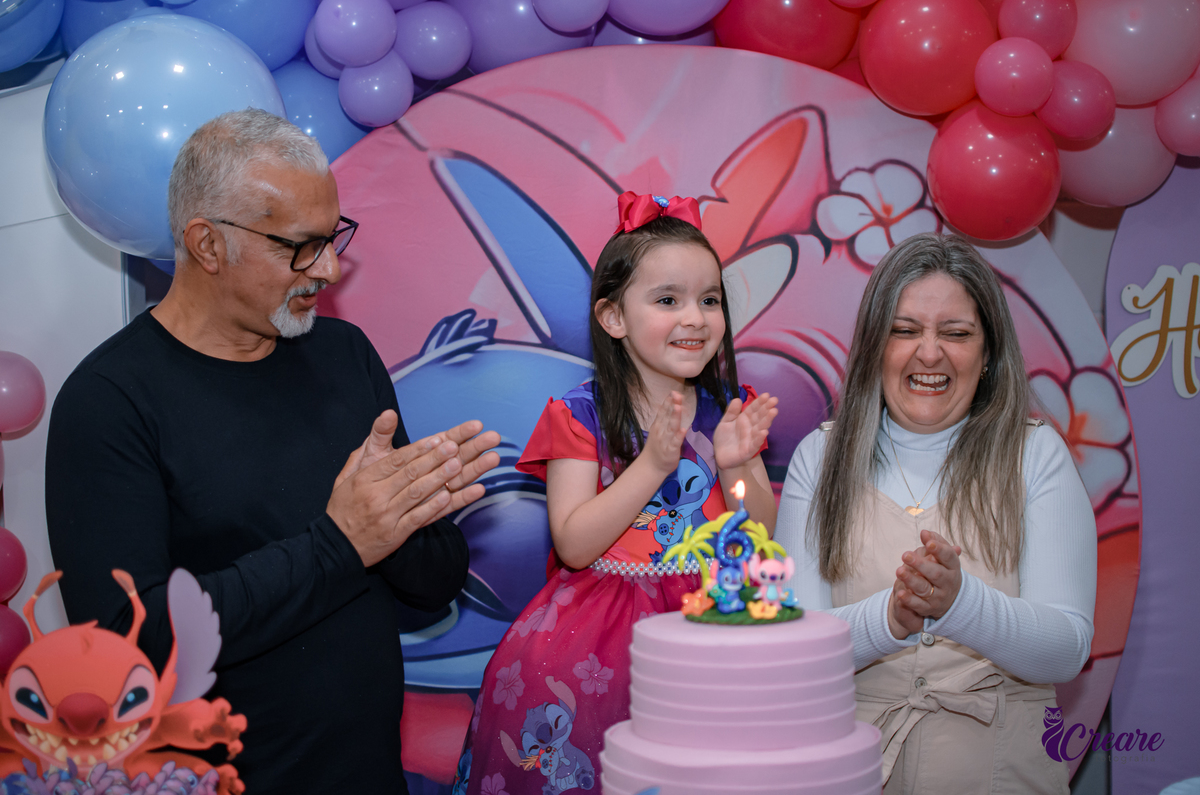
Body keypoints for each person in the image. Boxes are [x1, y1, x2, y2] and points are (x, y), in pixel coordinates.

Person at [45, 108, 501, 792]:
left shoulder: (345, 355)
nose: (331, 267)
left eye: (335, 236)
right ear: (207, 245)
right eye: (301, 245)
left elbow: (434, 584)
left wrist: (400, 522)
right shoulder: (109, 403)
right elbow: (129, 649)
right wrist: (343, 543)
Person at [451, 192, 778, 795]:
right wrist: (652, 464)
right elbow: (574, 543)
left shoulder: (730, 411)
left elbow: (758, 534)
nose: (695, 317)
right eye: (668, 300)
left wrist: (734, 466)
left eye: (710, 300)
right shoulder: (580, 415)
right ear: (613, 318)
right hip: (597, 639)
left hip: (708, 628)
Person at [775, 232, 1097, 794]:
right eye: (904, 331)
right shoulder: (819, 459)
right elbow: (794, 655)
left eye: (956, 333)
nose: (930, 353)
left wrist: (960, 604)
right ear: (874, 345)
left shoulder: (1036, 455)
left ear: (989, 351)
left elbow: (1066, 647)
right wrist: (895, 617)